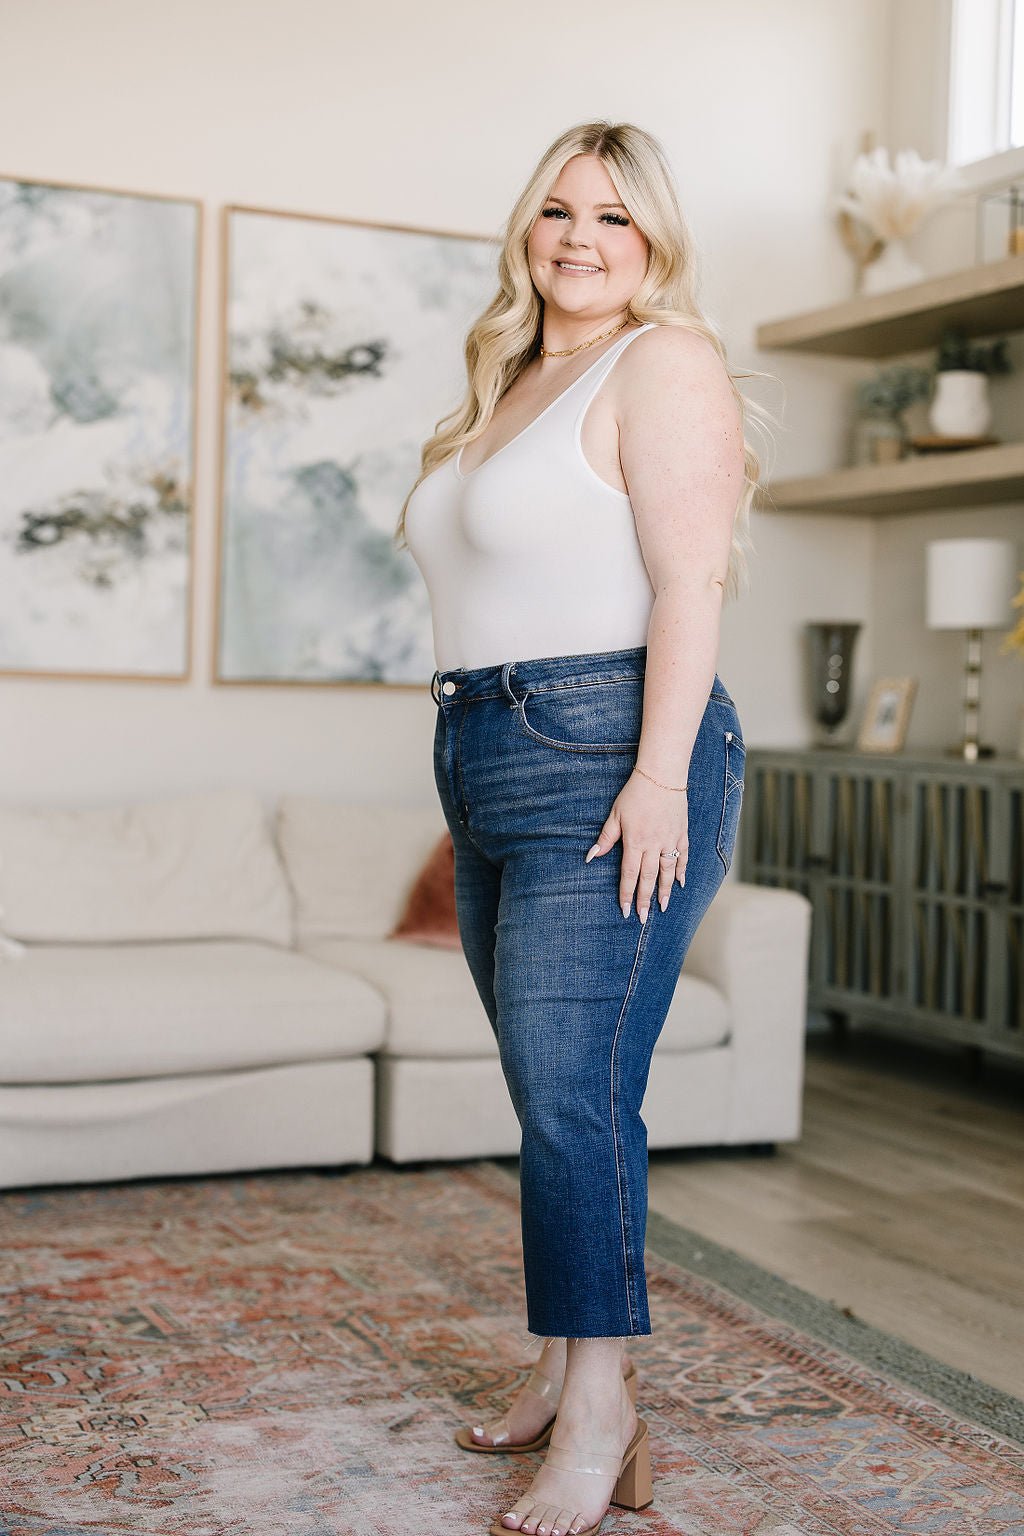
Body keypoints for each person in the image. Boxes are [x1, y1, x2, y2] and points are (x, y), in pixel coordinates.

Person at [397, 120, 770, 1536]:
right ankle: (564, 1368)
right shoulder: (508, 381)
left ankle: (604, 1410)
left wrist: (659, 777)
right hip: (485, 746)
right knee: (544, 1086)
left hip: (608, 747)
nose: (580, 238)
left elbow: (690, 584)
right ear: (526, 231)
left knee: (575, 1095)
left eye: (614, 216)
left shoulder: (661, 361)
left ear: (654, 239)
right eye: (558, 210)